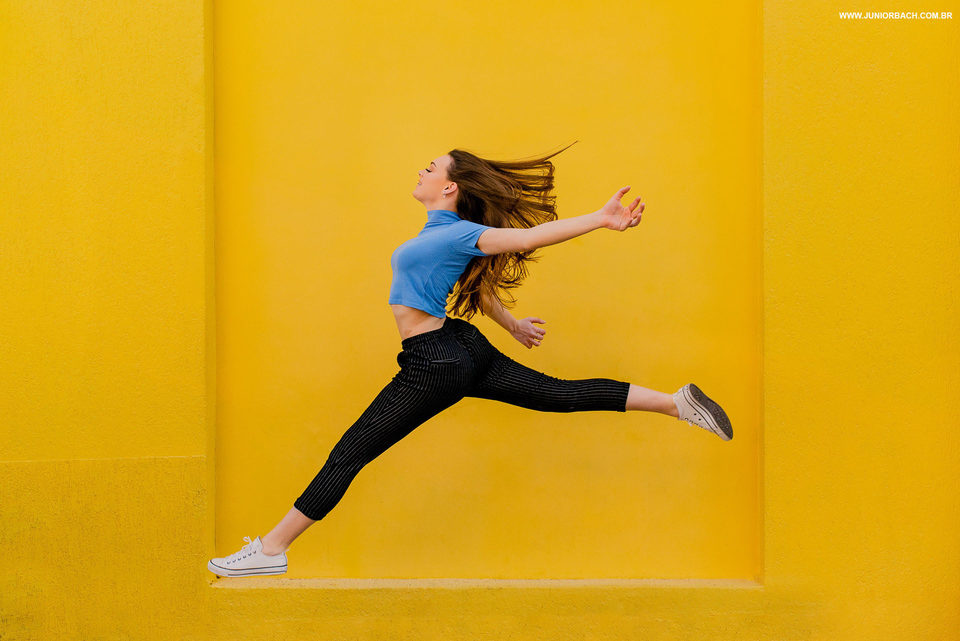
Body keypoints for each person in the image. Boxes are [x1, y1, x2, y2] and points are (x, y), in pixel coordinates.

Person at [207, 143, 733, 578]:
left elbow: (527, 237)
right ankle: (676, 403)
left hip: (433, 360)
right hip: (462, 346)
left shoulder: (461, 232)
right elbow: (475, 288)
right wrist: (513, 326)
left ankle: (271, 550)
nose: (421, 170)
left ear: (450, 187)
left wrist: (599, 219)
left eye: (431, 167)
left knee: (350, 452)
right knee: (557, 393)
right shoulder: (441, 235)